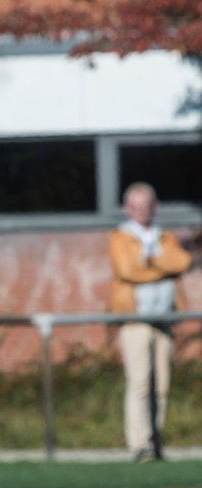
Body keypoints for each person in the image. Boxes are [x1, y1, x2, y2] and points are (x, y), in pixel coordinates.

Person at [108, 182, 192, 462]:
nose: (142, 211)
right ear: (127, 209)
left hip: (165, 317)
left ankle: (156, 442)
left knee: (162, 386)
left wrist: (151, 262)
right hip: (136, 320)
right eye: (136, 206)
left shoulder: (164, 236)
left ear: (155, 206)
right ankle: (139, 444)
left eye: (146, 206)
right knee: (139, 383)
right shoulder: (120, 237)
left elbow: (182, 262)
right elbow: (129, 270)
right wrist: (161, 266)